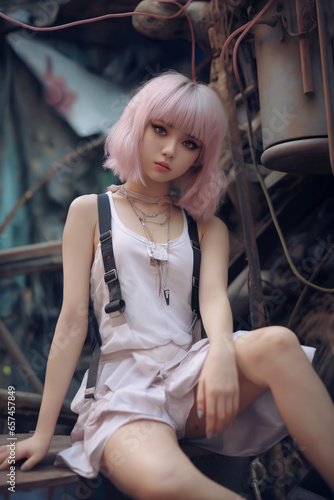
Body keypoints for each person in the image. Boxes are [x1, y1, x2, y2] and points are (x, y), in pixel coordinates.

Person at [0, 71, 333, 500]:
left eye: (190, 143)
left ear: (201, 157)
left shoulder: (205, 227)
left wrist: (222, 357)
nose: (171, 150)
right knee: (166, 483)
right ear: (137, 126)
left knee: (280, 345)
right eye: (160, 130)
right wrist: (42, 435)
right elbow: (71, 320)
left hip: (191, 375)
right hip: (126, 389)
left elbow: (213, 297)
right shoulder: (90, 211)